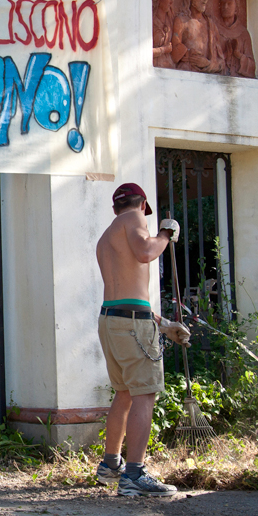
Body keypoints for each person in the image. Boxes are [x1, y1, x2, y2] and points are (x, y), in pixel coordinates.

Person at [94, 183, 191, 497]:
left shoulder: (106, 236)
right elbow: (146, 252)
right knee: (144, 395)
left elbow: (125, 294)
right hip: (131, 324)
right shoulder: (135, 218)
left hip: (111, 319)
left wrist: (163, 325)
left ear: (114, 207)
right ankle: (134, 474)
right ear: (143, 204)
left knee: (124, 393)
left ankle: (111, 465)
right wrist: (165, 234)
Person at [171, 0, 224, 74]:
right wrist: (188, 53)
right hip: (185, 73)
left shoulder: (211, 25)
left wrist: (207, 64)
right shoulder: (181, 21)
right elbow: (174, 55)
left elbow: (221, 63)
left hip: (208, 78)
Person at [217, 0, 256, 78]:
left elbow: (252, 68)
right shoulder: (215, 29)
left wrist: (239, 55)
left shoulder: (243, 33)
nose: (225, 6)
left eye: (229, 3)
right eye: (223, 3)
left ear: (236, 9)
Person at [151, 0, 177, 69]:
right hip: (155, 67)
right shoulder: (150, 21)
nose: (171, 2)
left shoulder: (170, 21)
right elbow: (143, 53)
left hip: (169, 67)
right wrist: (164, 49)